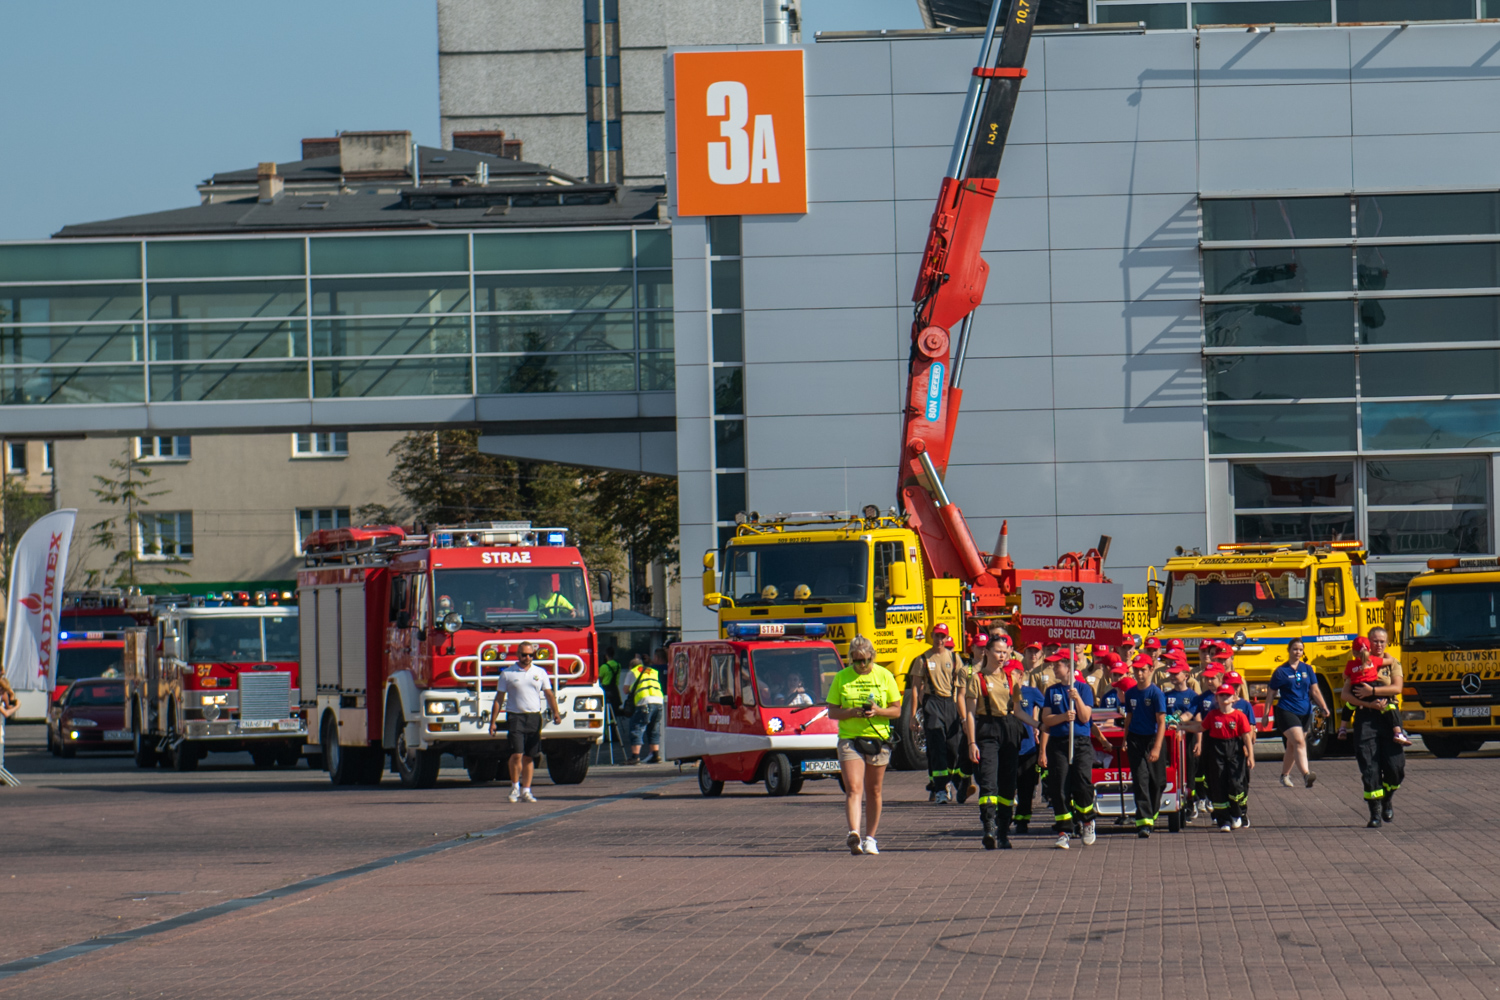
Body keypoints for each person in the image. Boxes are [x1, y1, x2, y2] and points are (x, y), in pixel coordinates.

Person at [827, 635, 903, 855]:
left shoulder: (885, 676)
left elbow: (896, 710)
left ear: (873, 657)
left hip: (878, 737)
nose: (861, 665)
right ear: (850, 658)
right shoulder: (841, 677)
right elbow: (832, 711)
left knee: (874, 790)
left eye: (866, 660)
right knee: (853, 787)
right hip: (850, 738)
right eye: (856, 660)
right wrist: (851, 712)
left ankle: (871, 838)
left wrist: (878, 711)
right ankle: (854, 834)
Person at [962, 639, 1037, 850]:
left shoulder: (1011, 678)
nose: (1002, 656)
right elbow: (970, 712)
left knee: (1008, 784)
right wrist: (971, 742)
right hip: (987, 729)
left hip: (1009, 729)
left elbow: (1018, 710)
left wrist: (1038, 724)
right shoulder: (976, 679)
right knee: (988, 781)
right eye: (998, 651)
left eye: (1005, 652)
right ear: (987, 652)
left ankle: (1003, 831)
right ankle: (989, 828)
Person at [1342, 632, 1406, 827]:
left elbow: (1397, 688)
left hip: (1388, 717)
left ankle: (1387, 798)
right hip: (1365, 718)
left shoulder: (1391, 663)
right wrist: (1369, 704)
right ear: (1368, 643)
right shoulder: (1355, 663)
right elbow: (1346, 694)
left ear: (1387, 643)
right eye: (1374, 641)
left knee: (1396, 768)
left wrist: (1373, 692)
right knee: (1369, 767)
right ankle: (1375, 812)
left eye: (1382, 641)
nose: (1378, 644)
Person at [489, 642, 565, 803]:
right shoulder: (508, 673)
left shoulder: (540, 672)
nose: (527, 658)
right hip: (515, 717)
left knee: (530, 756)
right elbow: (499, 698)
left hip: (534, 717)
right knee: (517, 753)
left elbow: (549, 694)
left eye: (531, 655)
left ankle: (526, 790)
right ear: (518, 655)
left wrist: (556, 713)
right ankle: (515, 787)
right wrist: (493, 721)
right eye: (524, 655)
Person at [1180, 683, 1255, 832]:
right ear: (1217, 698)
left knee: (1235, 783)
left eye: (1228, 695)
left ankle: (1236, 813)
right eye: (1222, 695)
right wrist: (1182, 726)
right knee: (1218, 784)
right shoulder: (1213, 715)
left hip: (1235, 750)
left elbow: (1247, 736)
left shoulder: (1239, 715)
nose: (1225, 697)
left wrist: (1250, 756)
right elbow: (1200, 727)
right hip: (1217, 750)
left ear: (1234, 697)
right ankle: (1223, 820)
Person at [1040, 651, 1096, 849]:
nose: (1055, 668)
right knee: (1059, 784)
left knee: (1082, 782)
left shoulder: (1083, 688)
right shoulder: (1052, 691)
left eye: (1058, 665)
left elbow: (1085, 716)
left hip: (1080, 741)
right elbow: (1046, 719)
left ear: (1069, 667)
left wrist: (1077, 699)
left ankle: (1087, 821)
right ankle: (1065, 829)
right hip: (1059, 742)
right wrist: (1063, 716)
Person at [909, 623, 966, 804]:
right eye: (937, 636)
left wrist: (964, 715)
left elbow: (962, 688)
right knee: (937, 746)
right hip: (932, 703)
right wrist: (913, 715)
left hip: (951, 703)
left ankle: (949, 781)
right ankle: (940, 789)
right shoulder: (923, 659)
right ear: (932, 636)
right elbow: (915, 688)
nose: (939, 640)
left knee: (953, 747)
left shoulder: (955, 658)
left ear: (947, 638)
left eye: (943, 636)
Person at [1268, 639, 1330, 789]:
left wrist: (1323, 706)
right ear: (1288, 650)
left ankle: (1284, 776)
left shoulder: (1307, 669)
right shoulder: (1281, 671)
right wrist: (1265, 714)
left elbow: (1314, 690)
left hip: (1305, 711)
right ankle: (1306, 774)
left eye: (1300, 650)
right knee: (1300, 743)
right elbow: (1271, 693)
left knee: (1292, 745)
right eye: (1295, 649)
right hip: (1287, 710)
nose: (1297, 652)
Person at [1122, 653, 1168, 838]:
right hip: (1135, 739)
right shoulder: (1131, 693)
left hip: (1153, 738)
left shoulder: (1156, 693)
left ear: (1151, 670)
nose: (1139, 674)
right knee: (1140, 780)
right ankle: (1144, 822)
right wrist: (1125, 738)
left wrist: (1156, 747)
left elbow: (1162, 721)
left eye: (1143, 670)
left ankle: (1152, 811)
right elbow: (1129, 717)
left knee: (1157, 781)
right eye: (1136, 670)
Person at [1010, 658, 1046, 836]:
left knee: (1026, 787)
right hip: (1007, 747)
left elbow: (1047, 709)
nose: (1008, 678)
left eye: (1012, 675)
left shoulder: (1031, 692)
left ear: (1020, 675)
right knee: (1007, 786)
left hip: (1028, 748)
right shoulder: (1002, 693)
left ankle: (1023, 820)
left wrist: (1041, 727)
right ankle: (1005, 817)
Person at [625, 653, 665, 764]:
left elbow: (625, 690)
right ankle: (655, 755)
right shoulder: (653, 671)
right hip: (658, 701)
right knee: (654, 729)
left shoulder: (632, 672)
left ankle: (635, 756)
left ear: (630, 666)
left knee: (637, 727)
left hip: (644, 702)